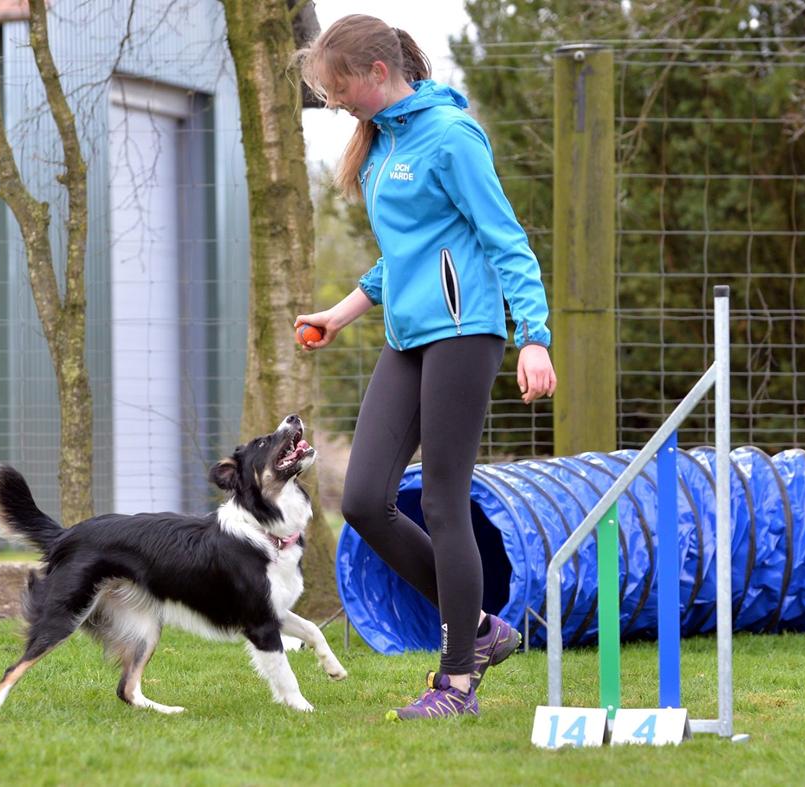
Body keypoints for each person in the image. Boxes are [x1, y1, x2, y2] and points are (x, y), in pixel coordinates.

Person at [293, 14, 557, 721]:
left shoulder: (451, 136)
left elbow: (505, 238)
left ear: (378, 73)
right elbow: (405, 256)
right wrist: (338, 313)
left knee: (443, 499)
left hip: (466, 330)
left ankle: (458, 684)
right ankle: (475, 626)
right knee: (362, 500)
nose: (335, 102)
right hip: (409, 336)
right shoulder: (381, 146)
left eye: (339, 87)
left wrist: (534, 335)